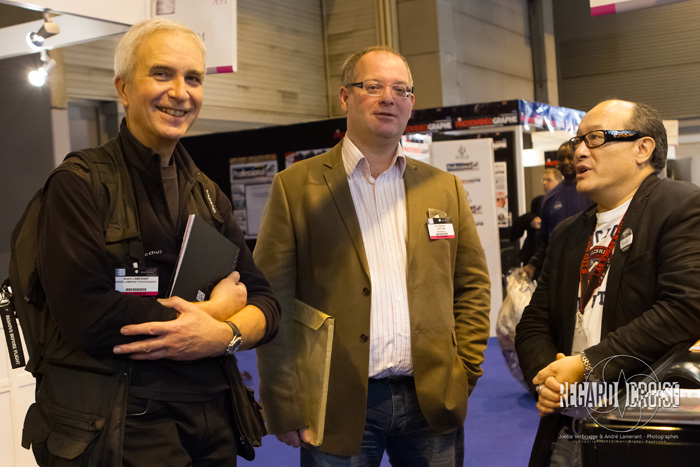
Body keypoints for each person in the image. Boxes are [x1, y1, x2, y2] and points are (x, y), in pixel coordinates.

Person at [23, 18, 280, 466]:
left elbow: (264, 302)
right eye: (162, 74)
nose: (180, 92)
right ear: (123, 89)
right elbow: (90, 315)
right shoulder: (78, 183)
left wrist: (223, 336)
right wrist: (214, 313)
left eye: (193, 78)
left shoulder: (207, 193)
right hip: (121, 422)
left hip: (212, 420)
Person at [254, 45, 491, 466]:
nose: (389, 98)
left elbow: (471, 285)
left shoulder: (443, 188)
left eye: (401, 89)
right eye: (373, 86)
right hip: (336, 402)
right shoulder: (296, 188)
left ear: (412, 103)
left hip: (432, 399)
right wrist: (283, 400)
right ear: (345, 97)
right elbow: (273, 299)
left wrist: (466, 369)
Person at [515, 99, 700, 466]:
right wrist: (548, 379)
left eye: (596, 138)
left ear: (643, 149)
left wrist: (586, 365)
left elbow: (684, 309)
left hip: (643, 427)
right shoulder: (570, 231)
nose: (579, 151)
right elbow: (534, 323)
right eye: (577, 141)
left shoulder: (681, 207)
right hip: (568, 427)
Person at [524, 143, 591, 280]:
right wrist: (533, 263)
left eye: (569, 157)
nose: (565, 162)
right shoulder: (549, 198)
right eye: (561, 159)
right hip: (558, 269)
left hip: (588, 267)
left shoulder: (591, 191)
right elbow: (546, 241)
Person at [510, 168, 562, 265]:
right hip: (537, 254)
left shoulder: (565, 202)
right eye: (543, 180)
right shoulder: (538, 201)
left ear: (559, 182)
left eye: (549, 180)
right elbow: (516, 228)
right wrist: (531, 220)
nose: (545, 182)